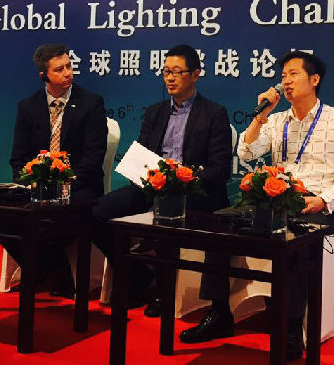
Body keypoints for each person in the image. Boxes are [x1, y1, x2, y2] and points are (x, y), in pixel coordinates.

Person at [179, 50, 334, 361]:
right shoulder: (277, 121)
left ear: (314, 79)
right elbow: (246, 152)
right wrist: (261, 115)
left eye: (293, 74)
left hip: (314, 204)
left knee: (296, 241)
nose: (285, 82)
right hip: (274, 201)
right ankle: (219, 312)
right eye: (283, 76)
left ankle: (290, 327)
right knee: (218, 230)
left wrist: (323, 200)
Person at [91, 44, 232, 313]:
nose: (170, 78)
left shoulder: (214, 113)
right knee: (97, 213)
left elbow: (220, 169)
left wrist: (184, 178)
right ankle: (137, 274)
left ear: (195, 74)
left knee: (169, 216)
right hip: (151, 187)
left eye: (177, 72)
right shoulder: (155, 112)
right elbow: (142, 153)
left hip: (193, 194)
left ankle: (163, 289)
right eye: (166, 71)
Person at [5, 43, 108, 295]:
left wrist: (65, 184)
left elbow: (93, 157)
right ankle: (47, 268)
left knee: (63, 217)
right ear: (44, 76)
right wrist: (29, 183)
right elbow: (18, 158)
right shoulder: (28, 106)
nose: (68, 73)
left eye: (69, 66)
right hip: (36, 186)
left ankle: (42, 271)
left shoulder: (91, 103)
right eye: (59, 69)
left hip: (80, 186)